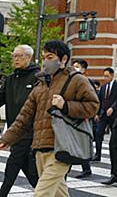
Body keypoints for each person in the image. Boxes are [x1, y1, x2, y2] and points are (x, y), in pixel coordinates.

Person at [0, 40, 99, 196]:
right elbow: (24, 116)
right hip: (40, 148)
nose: (46, 60)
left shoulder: (76, 79)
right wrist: (7, 137)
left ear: (64, 59)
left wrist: (66, 105)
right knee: (59, 193)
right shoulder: (41, 84)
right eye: (44, 56)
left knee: (41, 193)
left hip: (62, 146)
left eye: (50, 56)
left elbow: (93, 105)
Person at [0, 45, 39, 196]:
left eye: (19, 56)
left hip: (29, 131)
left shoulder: (38, 77)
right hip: (14, 131)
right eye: (14, 56)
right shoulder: (10, 79)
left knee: (12, 167)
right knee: (27, 168)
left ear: (29, 57)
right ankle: (47, 191)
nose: (16, 59)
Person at [71, 59, 97, 179]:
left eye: (77, 66)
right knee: (73, 143)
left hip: (83, 118)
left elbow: (92, 101)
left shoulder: (87, 82)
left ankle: (86, 168)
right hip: (74, 116)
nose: (74, 68)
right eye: (73, 66)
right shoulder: (72, 80)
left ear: (84, 69)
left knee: (82, 143)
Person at [93, 67, 117, 161]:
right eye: (104, 76)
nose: (105, 78)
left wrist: (113, 108)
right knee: (98, 133)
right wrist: (97, 113)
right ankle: (97, 154)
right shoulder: (103, 87)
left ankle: (114, 155)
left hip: (114, 115)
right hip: (103, 115)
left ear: (112, 75)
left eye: (107, 76)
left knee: (114, 136)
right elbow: (99, 101)